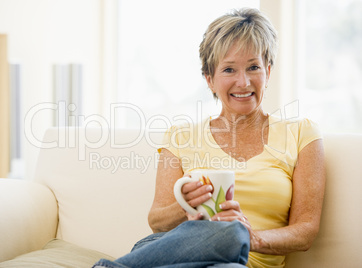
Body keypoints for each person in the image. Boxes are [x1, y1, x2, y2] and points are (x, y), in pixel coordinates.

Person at [93, 7, 325, 268]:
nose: (243, 82)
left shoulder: (301, 134)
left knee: (230, 251)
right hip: (167, 255)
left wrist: (251, 238)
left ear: (268, 72)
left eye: (253, 67)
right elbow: (157, 222)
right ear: (210, 80)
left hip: (242, 264)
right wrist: (186, 206)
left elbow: (305, 231)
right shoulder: (180, 137)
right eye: (228, 70)